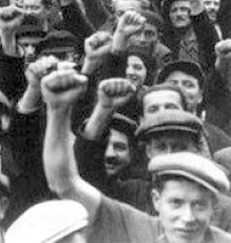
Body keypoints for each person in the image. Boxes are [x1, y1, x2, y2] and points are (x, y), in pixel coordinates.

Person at [42, 67, 231, 243]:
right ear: (157, 200)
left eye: (199, 205)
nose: (187, 217)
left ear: (213, 205)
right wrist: (58, 110)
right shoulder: (138, 218)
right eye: (176, 203)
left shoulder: (225, 218)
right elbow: (64, 182)